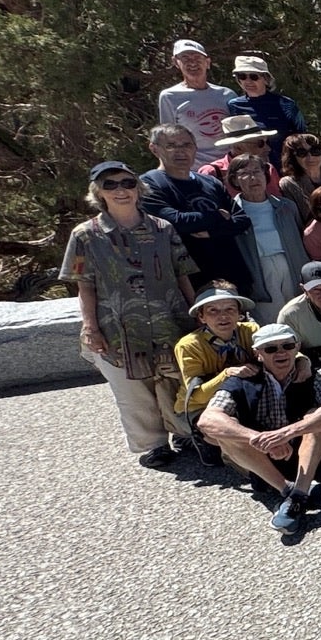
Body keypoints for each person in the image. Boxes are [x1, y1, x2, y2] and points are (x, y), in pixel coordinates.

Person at [65, 160, 198, 467]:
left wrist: (196, 314)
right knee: (132, 390)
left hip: (169, 319)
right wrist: (90, 327)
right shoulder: (85, 235)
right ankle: (152, 444)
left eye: (127, 182)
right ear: (98, 192)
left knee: (174, 379)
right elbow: (83, 285)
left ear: (139, 188)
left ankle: (184, 433)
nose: (120, 190)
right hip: (116, 325)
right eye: (110, 185)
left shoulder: (163, 228)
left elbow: (182, 274)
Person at [196, 322, 321, 533]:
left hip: (307, 452)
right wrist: (260, 439)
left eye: (287, 346)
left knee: (318, 419)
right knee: (226, 432)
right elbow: (207, 420)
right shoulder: (242, 379)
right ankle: (289, 489)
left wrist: (286, 433)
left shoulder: (314, 376)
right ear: (258, 354)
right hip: (260, 459)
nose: (281, 352)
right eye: (271, 349)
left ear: (297, 347)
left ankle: (298, 495)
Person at [140, 124, 252, 295]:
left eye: (186, 145)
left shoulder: (211, 182)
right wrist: (219, 217)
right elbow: (175, 222)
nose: (180, 151)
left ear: (195, 147)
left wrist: (211, 232)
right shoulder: (149, 184)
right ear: (154, 149)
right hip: (192, 284)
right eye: (171, 146)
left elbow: (242, 220)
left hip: (234, 276)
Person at [174, 283, 258, 466]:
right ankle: (201, 440)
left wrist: (301, 361)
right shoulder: (189, 346)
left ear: (239, 313)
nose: (223, 316)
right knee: (229, 430)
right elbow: (197, 395)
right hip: (199, 407)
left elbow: (279, 348)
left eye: (230, 309)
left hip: (239, 398)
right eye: (213, 310)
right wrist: (227, 374)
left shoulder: (251, 331)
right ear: (201, 317)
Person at [227, 153, 310, 323]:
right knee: (271, 320)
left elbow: (301, 237)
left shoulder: (286, 206)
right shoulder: (232, 213)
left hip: (292, 264)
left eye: (257, 171)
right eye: (245, 173)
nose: (253, 178)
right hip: (259, 270)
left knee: (300, 313)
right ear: (235, 180)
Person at [158, 38, 236, 164]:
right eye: (186, 58)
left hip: (228, 167)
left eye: (197, 58)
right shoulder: (169, 97)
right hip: (194, 170)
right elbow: (167, 138)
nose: (192, 63)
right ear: (176, 62)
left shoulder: (226, 95)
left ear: (207, 62)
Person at [225, 55, 308, 166]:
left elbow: (302, 135)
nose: (248, 81)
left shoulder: (286, 104)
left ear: (265, 78)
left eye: (254, 76)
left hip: (286, 165)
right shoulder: (234, 105)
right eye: (242, 76)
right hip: (253, 167)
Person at [198, 114, 283, 193]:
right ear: (238, 148)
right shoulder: (212, 172)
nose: (268, 148)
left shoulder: (268, 169)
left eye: (267, 142)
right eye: (260, 143)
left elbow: (279, 204)